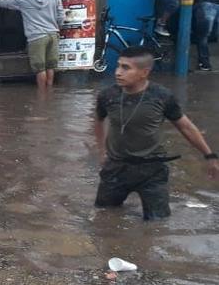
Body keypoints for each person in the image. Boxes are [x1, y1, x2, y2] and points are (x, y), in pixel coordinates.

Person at [94, 45, 219, 220]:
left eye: (126, 68)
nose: (118, 72)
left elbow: (186, 127)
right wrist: (102, 151)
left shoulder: (161, 96)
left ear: (144, 72)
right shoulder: (108, 96)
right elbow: (99, 121)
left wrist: (210, 156)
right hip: (116, 167)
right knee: (103, 216)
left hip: (152, 169)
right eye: (118, 66)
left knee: (157, 224)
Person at [0, 0, 65, 89]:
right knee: (50, 66)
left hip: (37, 37)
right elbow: (61, 16)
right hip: (53, 35)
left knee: (40, 68)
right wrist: (58, 28)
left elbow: (6, 2)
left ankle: (42, 94)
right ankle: (50, 92)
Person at [193, 0, 219, 71]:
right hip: (207, 3)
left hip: (215, 4)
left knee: (207, 34)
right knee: (204, 34)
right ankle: (204, 63)